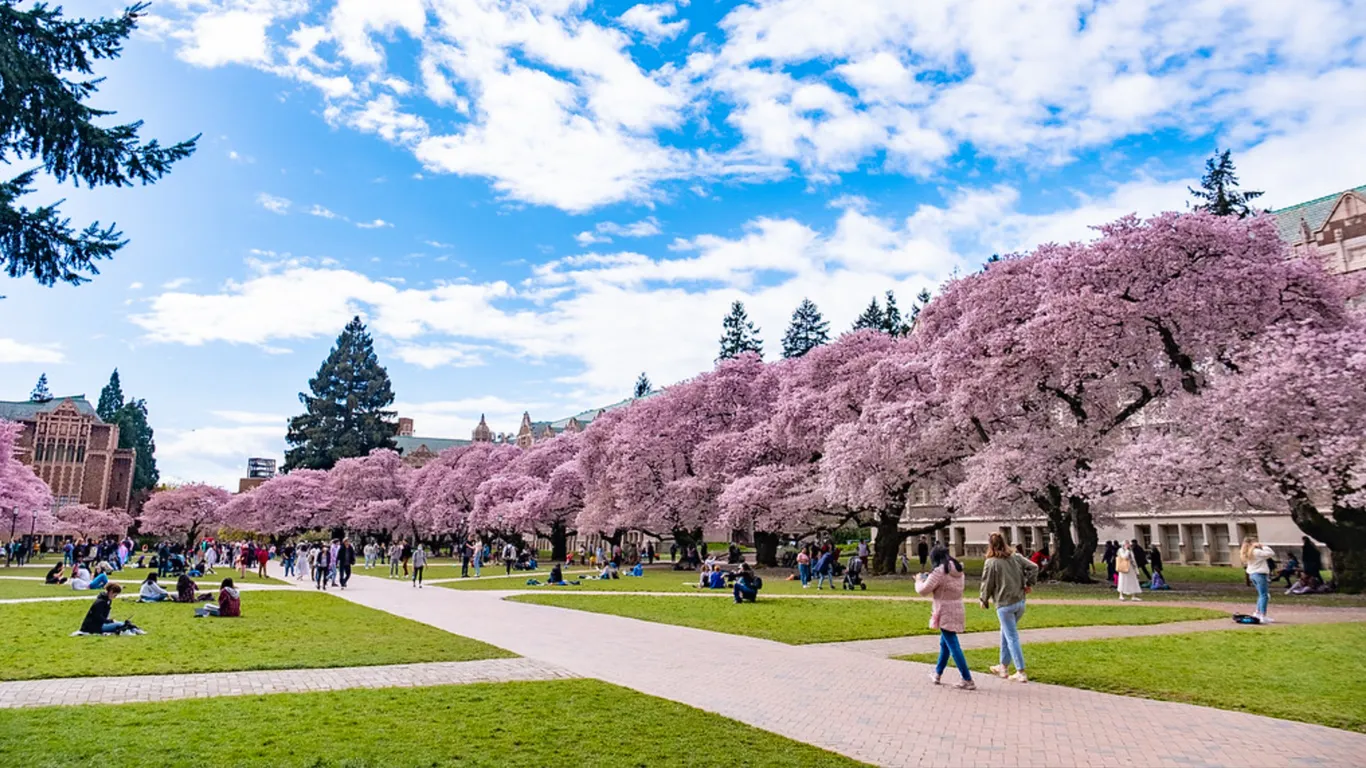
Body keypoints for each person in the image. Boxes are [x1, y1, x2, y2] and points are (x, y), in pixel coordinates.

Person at [980, 532, 1038, 683]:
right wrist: (1028, 584)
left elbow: (987, 583)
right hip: (1019, 602)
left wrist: (983, 599)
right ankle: (1003, 666)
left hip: (1004, 604)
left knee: (1011, 636)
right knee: (1005, 633)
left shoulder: (991, 562)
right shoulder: (1015, 557)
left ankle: (1021, 671)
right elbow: (1034, 567)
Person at [916, 544, 974, 690]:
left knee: (952, 644)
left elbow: (923, 590)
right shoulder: (958, 570)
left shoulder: (939, 571)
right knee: (945, 643)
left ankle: (967, 678)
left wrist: (918, 580)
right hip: (957, 607)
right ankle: (937, 673)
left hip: (943, 610)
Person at [1241, 537, 1276, 623]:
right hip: (1259, 574)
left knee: (1261, 595)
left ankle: (1257, 612)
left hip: (1252, 574)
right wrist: (1263, 546)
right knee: (1264, 595)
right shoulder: (1256, 552)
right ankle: (1262, 615)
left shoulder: (1247, 552)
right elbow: (1271, 553)